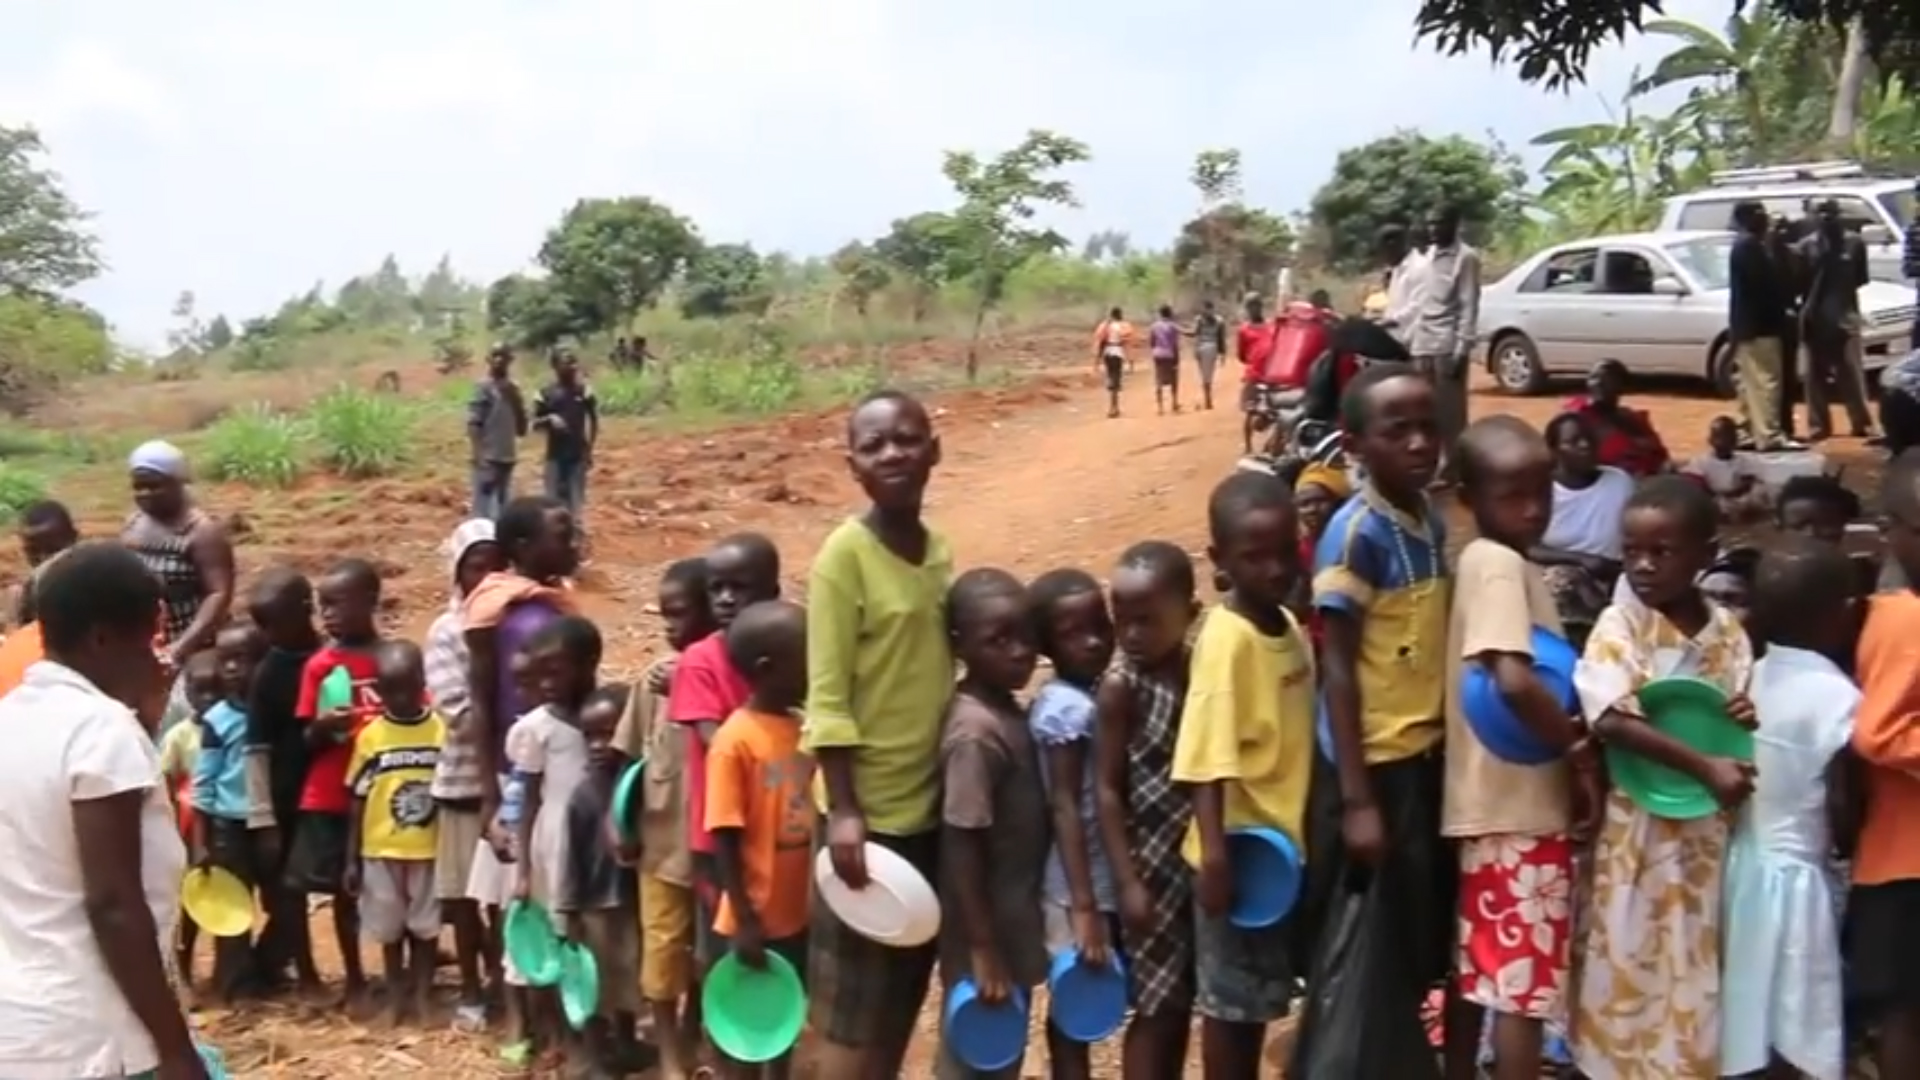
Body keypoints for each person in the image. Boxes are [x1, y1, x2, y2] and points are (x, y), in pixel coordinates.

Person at [1300, 362, 1464, 1074]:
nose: (1421, 444)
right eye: (1399, 432)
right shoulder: (1355, 533)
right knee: (1362, 940)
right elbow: (1337, 665)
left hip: (1422, 756)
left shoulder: (1427, 518)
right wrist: (1360, 799)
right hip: (1372, 768)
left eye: (1430, 428)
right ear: (1357, 444)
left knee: (1408, 935)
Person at [1569, 475, 1757, 1079]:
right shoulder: (1619, 627)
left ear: (1706, 554)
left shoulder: (1728, 633)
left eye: (1662, 551)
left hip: (1704, 835)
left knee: (1695, 963)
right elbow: (1612, 718)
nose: (1644, 566)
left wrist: (1744, 715)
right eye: (1632, 552)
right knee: (1626, 957)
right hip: (1636, 831)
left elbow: (1738, 716)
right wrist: (1703, 765)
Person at [0, 542, 206, 1079]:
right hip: (90, 1034)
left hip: (20, 1028)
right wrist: (176, 1051)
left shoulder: (11, 719)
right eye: (149, 637)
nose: (159, 655)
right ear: (100, 638)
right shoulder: (98, 730)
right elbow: (113, 904)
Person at [803, 390, 954, 1080]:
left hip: (930, 812)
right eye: (874, 445)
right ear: (853, 467)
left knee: (902, 991)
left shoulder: (937, 551)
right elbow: (828, 696)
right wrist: (847, 811)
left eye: (906, 438)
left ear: (934, 450)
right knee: (847, 1011)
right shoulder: (845, 557)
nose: (893, 453)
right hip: (865, 821)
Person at [1446, 417, 1600, 1080]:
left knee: (1500, 983)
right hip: (1520, 811)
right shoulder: (1500, 566)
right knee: (1522, 992)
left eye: (1541, 491)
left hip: (1495, 809)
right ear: (1469, 498)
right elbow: (1512, 677)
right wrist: (1577, 753)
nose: (1534, 509)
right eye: (1513, 495)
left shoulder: (1487, 561)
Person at [1176, 471, 1315, 1080]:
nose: (1274, 568)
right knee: (1230, 1010)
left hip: (1282, 854)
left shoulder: (1290, 630)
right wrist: (1213, 855)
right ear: (1220, 562)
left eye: (1284, 551)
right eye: (1254, 557)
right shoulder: (1225, 639)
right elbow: (1206, 754)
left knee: (1258, 1000)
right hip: (1237, 855)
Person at [1721, 539, 1857, 1080]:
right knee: (1796, 1016)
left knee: (1743, 1007)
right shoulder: (1839, 697)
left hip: (1739, 870)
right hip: (1799, 880)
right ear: (1842, 615)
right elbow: (1843, 809)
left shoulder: (1745, 679)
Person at [934, 568, 1049, 1080]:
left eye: (1025, 635)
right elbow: (962, 841)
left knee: (1001, 1050)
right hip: (984, 930)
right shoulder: (975, 734)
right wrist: (982, 948)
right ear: (959, 644)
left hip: (1012, 918)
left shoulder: (1005, 711)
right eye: (998, 640)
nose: (1019, 650)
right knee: (977, 1049)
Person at [1093, 541, 1201, 1079]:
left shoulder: (1194, 667)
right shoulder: (1121, 686)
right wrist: (1128, 881)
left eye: (1147, 621)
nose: (1131, 634)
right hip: (1149, 868)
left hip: (1193, 861)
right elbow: (1107, 789)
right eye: (1122, 620)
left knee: (1180, 1000)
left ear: (1190, 614)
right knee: (1156, 1005)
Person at [612, 558, 716, 1080]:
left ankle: (696, 1033)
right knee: (662, 949)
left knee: (705, 950)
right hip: (660, 846)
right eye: (666, 617)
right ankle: (670, 1053)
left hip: (715, 848)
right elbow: (627, 763)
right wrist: (621, 825)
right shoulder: (651, 684)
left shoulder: (726, 678)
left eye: (682, 615)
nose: (671, 629)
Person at [707, 601, 815, 1080]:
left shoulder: (802, 728)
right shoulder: (736, 741)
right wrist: (746, 918)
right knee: (748, 1025)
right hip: (753, 913)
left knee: (785, 1017)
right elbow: (724, 834)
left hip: (798, 911)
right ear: (769, 668)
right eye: (807, 655)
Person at [670, 532, 780, 975]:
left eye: (741, 587)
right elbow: (717, 741)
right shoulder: (699, 660)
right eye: (717, 588)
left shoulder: (785, 650)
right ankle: (723, 1037)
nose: (727, 599)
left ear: (771, 593)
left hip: (776, 828)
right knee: (725, 943)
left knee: (776, 934)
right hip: (719, 833)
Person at [1027, 569, 1119, 1080]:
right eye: (1072, 633)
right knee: (1075, 998)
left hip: (1094, 877)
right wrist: (1084, 905)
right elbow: (1063, 804)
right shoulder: (1064, 707)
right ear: (1044, 644)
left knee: (1092, 990)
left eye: (1099, 625)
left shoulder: (1093, 692)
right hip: (1073, 886)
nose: (1093, 641)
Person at [286, 557, 389, 1000]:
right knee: (336, 888)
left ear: (370, 601)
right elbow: (305, 736)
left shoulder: (393, 659)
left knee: (382, 883)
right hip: (331, 792)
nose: (327, 615)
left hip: (385, 793)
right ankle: (352, 976)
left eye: (337, 604)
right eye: (321, 606)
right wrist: (325, 725)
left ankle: (396, 971)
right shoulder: (320, 666)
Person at [1848, 448, 1920, 1079]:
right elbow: (1878, 733)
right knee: (1902, 1011)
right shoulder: (1903, 616)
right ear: (1892, 531)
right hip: (1902, 860)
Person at [465, 495, 580, 874]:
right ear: (523, 547)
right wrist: (490, 795)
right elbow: (480, 701)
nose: (574, 544)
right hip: (521, 774)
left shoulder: (543, 605)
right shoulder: (520, 617)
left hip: (542, 767)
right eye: (563, 537)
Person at [507, 616, 605, 1052]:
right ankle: (552, 1031)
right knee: (548, 931)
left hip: (597, 841)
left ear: (589, 664)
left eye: (556, 671)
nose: (545, 682)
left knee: (587, 935)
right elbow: (526, 799)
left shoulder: (604, 717)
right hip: (553, 843)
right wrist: (523, 868)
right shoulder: (536, 729)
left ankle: (588, 1025)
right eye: (539, 672)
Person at [423, 519, 504, 1029]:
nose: (488, 576)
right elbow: (457, 710)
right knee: (460, 898)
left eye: (497, 565)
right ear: (458, 572)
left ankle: (504, 981)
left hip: (513, 781)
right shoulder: (446, 632)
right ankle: (472, 989)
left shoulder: (517, 620)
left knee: (501, 896)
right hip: (462, 783)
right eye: (477, 566)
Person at [344, 641, 446, 1026]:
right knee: (389, 930)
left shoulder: (440, 730)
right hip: (381, 850)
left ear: (423, 683)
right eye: (390, 689)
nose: (399, 697)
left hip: (428, 848)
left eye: (408, 686)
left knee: (425, 928)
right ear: (379, 691)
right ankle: (396, 996)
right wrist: (351, 858)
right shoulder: (371, 736)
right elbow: (356, 798)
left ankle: (422, 996)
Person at [559, 685, 650, 1076]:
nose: (598, 745)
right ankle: (597, 1057)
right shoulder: (582, 795)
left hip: (631, 902)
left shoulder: (639, 788)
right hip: (594, 904)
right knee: (594, 986)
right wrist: (569, 910)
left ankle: (627, 1045)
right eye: (589, 736)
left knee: (628, 981)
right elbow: (571, 858)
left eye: (608, 734)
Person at [244, 568, 323, 993]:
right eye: (262, 625)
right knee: (289, 890)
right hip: (287, 797)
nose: (267, 633)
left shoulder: (330, 660)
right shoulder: (269, 674)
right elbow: (256, 750)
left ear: (305, 611)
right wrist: (264, 819)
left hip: (333, 791)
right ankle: (301, 970)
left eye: (273, 622)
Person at [123, 439, 236, 728]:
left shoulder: (201, 532)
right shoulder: (134, 523)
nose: (145, 493)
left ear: (178, 482)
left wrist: (181, 648)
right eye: (138, 486)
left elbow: (218, 593)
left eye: (154, 485)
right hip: (148, 645)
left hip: (194, 647)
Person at [191, 622, 268, 1002]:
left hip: (269, 822)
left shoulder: (275, 711)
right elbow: (203, 784)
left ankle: (267, 966)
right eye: (226, 661)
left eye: (242, 659)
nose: (233, 669)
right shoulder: (217, 720)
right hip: (229, 824)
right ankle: (235, 985)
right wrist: (201, 841)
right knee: (233, 908)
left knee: (285, 900)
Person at [1533, 413, 1635, 648]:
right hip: (1561, 582)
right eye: (1574, 441)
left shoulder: (1619, 481)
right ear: (1554, 450)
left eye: (1589, 438)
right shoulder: (1543, 491)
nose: (1585, 445)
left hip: (1615, 576)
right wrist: (1582, 560)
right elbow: (1528, 546)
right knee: (1561, 584)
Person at [1405, 207, 1480, 483]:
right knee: (1424, 411)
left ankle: (1456, 471)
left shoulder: (1466, 258)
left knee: (1451, 415)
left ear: (1454, 224)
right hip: (1422, 343)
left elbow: (1468, 305)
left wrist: (1462, 349)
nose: (1433, 229)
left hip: (1447, 345)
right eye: (1430, 224)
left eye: (1439, 223)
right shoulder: (1430, 255)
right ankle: (1434, 466)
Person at [1797, 199, 1876, 442]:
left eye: (1830, 213)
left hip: (1845, 315)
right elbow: (1801, 283)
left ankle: (1861, 422)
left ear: (1839, 215)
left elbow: (1861, 279)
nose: (1826, 218)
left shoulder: (1854, 243)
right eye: (1821, 213)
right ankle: (1819, 425)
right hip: (1815, 318)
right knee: (1814, 375)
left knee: (1851, 372)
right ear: (1813, 217)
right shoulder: (1806, 247)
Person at [163, 652, 218, 987]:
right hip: (187, 822)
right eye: (200, 691)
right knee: (187, 901)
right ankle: (182, 967)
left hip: (222, 820)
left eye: (216, 690)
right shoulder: (180, 735)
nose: (208, 699)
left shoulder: (230, 725)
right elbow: (166, 776)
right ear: (189, 694)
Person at [1729, 200, 1795, 450]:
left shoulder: (1747, 245)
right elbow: (1763, 290)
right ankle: (1769, 434)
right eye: (1762, 215)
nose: (1767, 220)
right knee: (1767, 382)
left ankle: (1747, 431)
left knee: (1749, 383)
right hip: (1762, 328)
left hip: (1749, 327)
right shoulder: (1750, 247)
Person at [1563, 359, 1673, 477]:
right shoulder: (1576, 417)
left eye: (1607, 378)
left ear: (1622, 386)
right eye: (1593, 377)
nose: (1598, 383)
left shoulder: (1632, 419)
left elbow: (1660, 456)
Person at [534, 348, 599, 529]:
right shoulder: (545, 393)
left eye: (574, 362)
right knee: (552, 501)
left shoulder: (584, 390)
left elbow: (593, 421)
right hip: (554, 455)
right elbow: (534, 424)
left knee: (576, 501)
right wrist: (549, 419)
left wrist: (590, 449)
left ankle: (575, 537)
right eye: (567, 362)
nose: (572, 366)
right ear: (555, 366)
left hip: (578, 453)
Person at [1292, 463, 1352, 651]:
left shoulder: (1353, 544)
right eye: (1304, 504)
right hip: (1322, 643)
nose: (1311, 510)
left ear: (1337, 503)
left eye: (1319, 501)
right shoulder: (1300, 551)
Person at [469, 344, 530, 519]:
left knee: (503, 510)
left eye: (503, 356)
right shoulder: (483, 387)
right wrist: (479, 456)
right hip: (488, 457)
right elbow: (474, 423)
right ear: (488, 359)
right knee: (483, 509)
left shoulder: (513, 389)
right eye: (495, 355)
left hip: (507, 457)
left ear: (510, 360)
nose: (498, 360)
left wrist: (516, 401)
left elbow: (521, 429)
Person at [1684, 415, 1771, 522]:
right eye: (1718, 437)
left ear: (1735, 440)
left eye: (1728, 437)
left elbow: (1748, 483)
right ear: (1710, 440)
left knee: (1758, 493)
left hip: (1738, 498)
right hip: (1714, 499)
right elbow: (1697, 485)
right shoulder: (1700, 462)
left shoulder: (1745, 461)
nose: (1723, 441)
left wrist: (1734, 495)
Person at [10, 498, 77, 626]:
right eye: (33, 552)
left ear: (74, 538)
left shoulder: (97, 583)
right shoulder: (28, 593)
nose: (43, 560)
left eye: (53, 550)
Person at [1235, 297, 1278, 455]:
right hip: (1253, 374)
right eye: (1251, 306)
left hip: (1272, 374)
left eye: (1257, 305)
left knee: (1274, 412)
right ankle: (1247, 446)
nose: (1254, 309)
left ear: (1261, 306)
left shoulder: (1272, 326)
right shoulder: (1244, 330)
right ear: (1247, 309)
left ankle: (1270, 446)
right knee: (1250, 411)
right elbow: (1241, 355)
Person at [1378, 223, 1430, 349]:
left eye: (1384, 252)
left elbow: (1418, 306)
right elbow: (1396, 303)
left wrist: (1392, 321)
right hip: (1395, 336)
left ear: (1393, 246)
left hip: (1412, 341)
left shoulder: (1419, 267)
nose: (1383, 257)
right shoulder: (1397, 268)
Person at [1774, 473, 1863, 546]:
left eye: (1824, 524)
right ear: (1781, 529)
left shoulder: (1863, 564)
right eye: (1798, 527)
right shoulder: (1768, 566)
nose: (1810, 533)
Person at [1092, 307, 1134, 418]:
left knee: (1111, 377)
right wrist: (1130, 362)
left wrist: (1096, 361)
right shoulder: (1124, 326)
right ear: (1120, 315)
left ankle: (1113, 406)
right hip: (1118, 352)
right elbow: (1127, 344)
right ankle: (1114, 407)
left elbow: (1100, 342)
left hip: (1108, 353)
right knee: (1116, 378)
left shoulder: (1105, 326)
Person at [1190, 300, 1228, 411]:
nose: (1207, 311)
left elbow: (1193, 333)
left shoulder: (1201, 319)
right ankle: (1208, 398)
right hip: (1208, 348)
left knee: (1206, 375)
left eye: (1207, 309)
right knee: (1206, 375)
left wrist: (1179, 330)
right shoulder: (1217, 320)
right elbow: (1221, 339)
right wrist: (1222, 354)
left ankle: (1208, 398)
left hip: (1205, 348)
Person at [1148, 304, 1183, 415]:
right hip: (1169, 354)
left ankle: (1160, 407)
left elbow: (1152, 342)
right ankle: (1174, 403)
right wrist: (1177, 358)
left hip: (1158, 354)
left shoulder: (1154, 326)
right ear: (1170, 313)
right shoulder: (1172, 326)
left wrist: (1154, 351)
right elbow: (1174, 344)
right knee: (1173, 379)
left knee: (1158, 379)